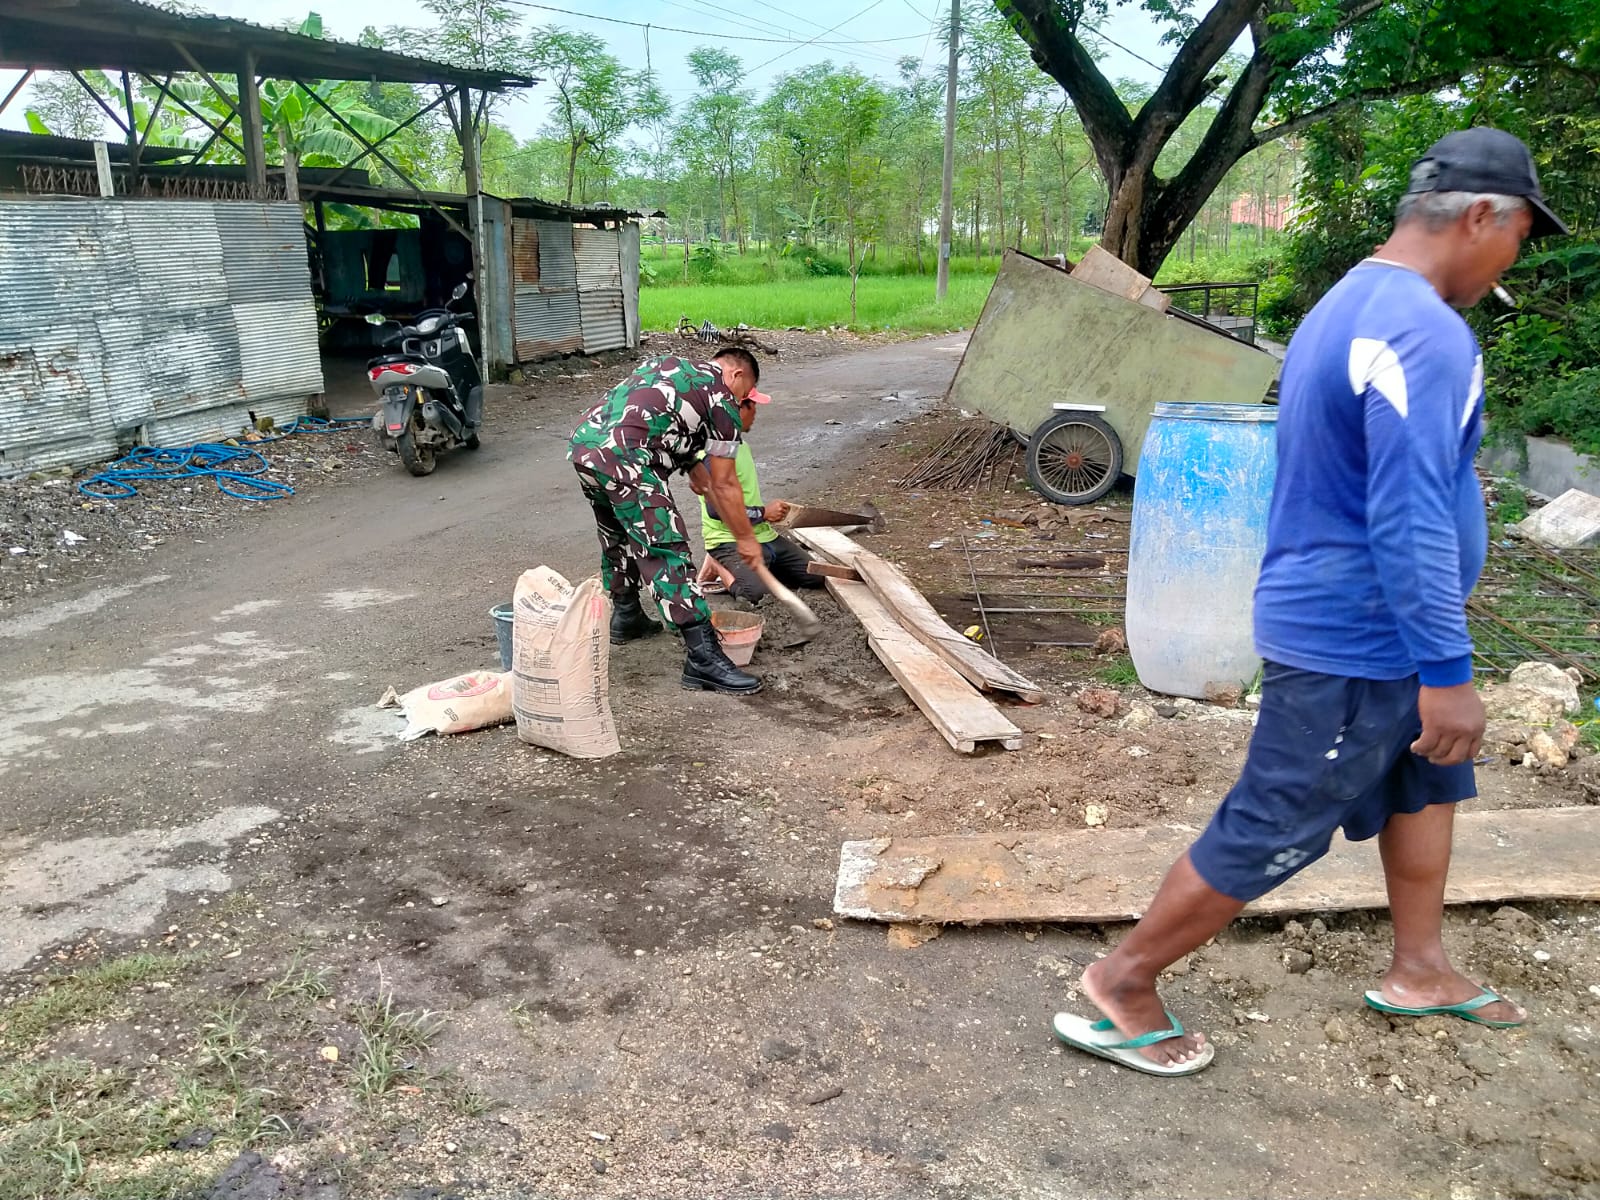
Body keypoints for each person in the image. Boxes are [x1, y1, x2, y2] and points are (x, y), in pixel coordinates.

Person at [1052, 127, 1567, 1077]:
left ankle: (1419, 966)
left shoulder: (1352, 302)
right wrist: (1448, 673)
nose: (1515, 258)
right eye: (1522, 235)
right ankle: (1118, 986)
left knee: (1425, 779)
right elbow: (1408, 518)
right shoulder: (1422, 332)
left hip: (1376, 627)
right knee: (1280, 818)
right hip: (1356, 637)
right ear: (1484, 215)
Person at [567, 347, 767, 696]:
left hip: (587, 448)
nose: (741, 400)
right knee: (665, 545)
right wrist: (746, 539)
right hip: (629, 457)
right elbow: (725, 482)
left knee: (616, 533)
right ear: (736, 375)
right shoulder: (721, 397)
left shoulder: (668, 365)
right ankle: (702, 657)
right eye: (746, 390)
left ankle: (627, 614)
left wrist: (695, 470)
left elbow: (664, 422)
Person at [697, 387, 828, 605]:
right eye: (752, 405)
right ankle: (719, 565)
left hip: (762, 535)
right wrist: (764, 513)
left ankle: (758, 569)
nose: (755, 412)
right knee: (754, 595)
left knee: (815, 576)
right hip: (728, 540)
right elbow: (717, 509)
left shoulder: (740, 445)